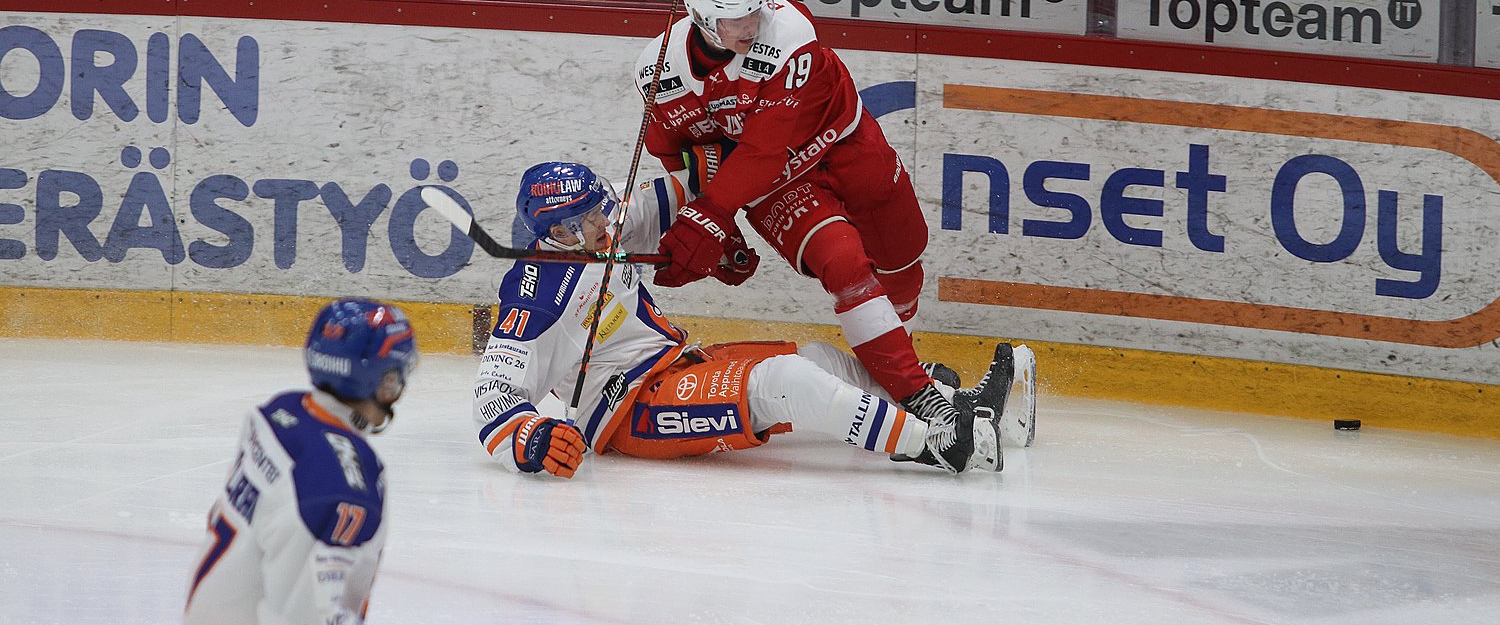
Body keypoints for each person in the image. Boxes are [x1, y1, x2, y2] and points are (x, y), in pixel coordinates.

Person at [633, 0, 986, 469]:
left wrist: (711, 217)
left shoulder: (790, 33)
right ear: (701, 16)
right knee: (844, 262)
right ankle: (917, 396)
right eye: (734, 17)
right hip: (772, 184)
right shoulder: (657, 74)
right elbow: (682, 156)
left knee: (904, 257)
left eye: (756, 8)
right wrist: (721, 232)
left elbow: (763, 146)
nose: (751, 24)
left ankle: (889, 375)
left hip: (844, 146)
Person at [471, 161, 1028, 478]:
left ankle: (950, 403)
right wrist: (531, 436)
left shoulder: (607, 222)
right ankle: (941, 443)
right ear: (553, 234)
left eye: (599, 208)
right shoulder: (537, 291)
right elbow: (494, 390)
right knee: (786, 383)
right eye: (582, 222)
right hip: (627, 410)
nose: (601, 224)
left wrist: (711, 228)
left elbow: (692, 179)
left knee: (814, 358)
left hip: (671, 363)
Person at [184, 299, 419, 625]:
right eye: (393, 379)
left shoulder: (283, 412)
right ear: (380, 382)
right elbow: (307, 614)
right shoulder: (342, 489)